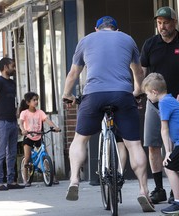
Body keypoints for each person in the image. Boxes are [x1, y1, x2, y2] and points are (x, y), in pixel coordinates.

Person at [62, 16, 155, 212]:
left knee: (80, 139)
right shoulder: (127, 39)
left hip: (93, 95)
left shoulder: (85, 41)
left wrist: (66, 94)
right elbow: (138, 72)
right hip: (122, 94)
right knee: (133, 144)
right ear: (116, 29)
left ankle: (74, 180)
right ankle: (143, 190)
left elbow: (73, 74)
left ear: (97, 29)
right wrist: (137, 91)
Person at [140, 6, 179, 204]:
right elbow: (142, 72)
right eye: (159, 23)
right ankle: (159, 188)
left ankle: (176, 189)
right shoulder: (150, 44)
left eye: (166, 22)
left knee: (178, 144)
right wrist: (140, 93)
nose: (162, 26)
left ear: (174, 22)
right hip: (155, 103)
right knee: (153, 145)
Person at [141, 73, 179, 214]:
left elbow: (164, 129)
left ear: (154, 92)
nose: (148, 98)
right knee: (174, 167)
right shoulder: (170, 99)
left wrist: (168, 151)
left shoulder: (163, 103)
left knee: (169, 167)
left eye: (147, 94)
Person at [0, 57, 25, 191]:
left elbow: (13, 100)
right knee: (1, 152)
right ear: (5, 67)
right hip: (1, 121)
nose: (14, 68)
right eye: (12, 66)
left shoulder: (12, 83)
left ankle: (11, 181)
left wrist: (16, 113)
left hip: (12, 121)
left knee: (12, 152)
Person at [19, 92, 61, 187]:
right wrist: (23, 130)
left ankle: (52, 177)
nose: (36, 101)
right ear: (28, 102)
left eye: (37, 99)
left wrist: (55, 127)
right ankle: (25, 179)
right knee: (27, 158)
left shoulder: (40, 112)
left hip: (38, 136)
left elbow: (47, 120)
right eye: (34, 100)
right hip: (28, 137)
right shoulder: (24, 113)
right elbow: (21, 123)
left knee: (45, 154)